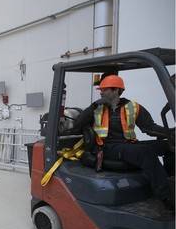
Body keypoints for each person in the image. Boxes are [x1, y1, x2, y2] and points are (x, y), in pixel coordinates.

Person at [75, 75, 175, 211]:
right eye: (101, 89)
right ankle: (167, 198)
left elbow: (150, 128)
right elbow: (77, 124)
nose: (101, 92)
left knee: (169, 146)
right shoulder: (97, 108)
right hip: (107, 147)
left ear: (116, 90)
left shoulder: (132, 106)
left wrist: (170, 133)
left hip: (129, 144)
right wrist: (93, 105)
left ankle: (168, 183)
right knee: (145, 151)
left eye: (104, 89)